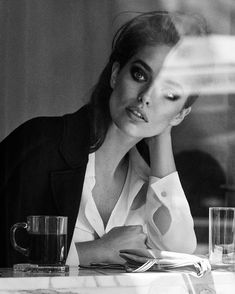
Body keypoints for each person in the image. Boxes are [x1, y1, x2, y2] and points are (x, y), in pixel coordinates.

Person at [0, 11, 208, 267]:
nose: (146, 97)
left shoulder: (147, 179)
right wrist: (94, 251)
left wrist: (162, 134)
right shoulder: (42, 143)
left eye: (169, 93)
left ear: (181, 114)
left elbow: (180, 252)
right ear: (115, 74)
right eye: (140, 75)